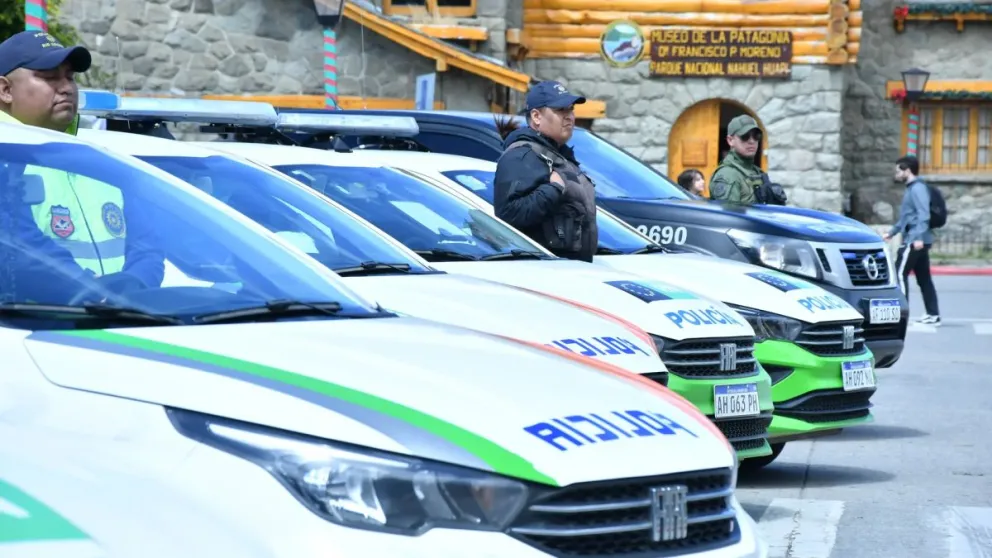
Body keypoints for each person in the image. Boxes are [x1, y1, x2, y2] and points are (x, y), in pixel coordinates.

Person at [0, 30, 163, 291]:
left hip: (123, 320)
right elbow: (20, 250)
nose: (66, 88)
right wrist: (91, 292)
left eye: (70, 77)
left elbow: (148, 247)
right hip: (37, 325)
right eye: (50, 77)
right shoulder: (6, 161)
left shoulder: (102, 161)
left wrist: (132, 285)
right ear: (5, 90)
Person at [493, 80, 598, 262]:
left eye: (571, 110)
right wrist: (553, 189)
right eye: (560, 110)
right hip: (544, 274)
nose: (569, 117)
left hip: (572, 272)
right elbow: (509, 213)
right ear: (536, 117)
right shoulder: (522, 155)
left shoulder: (559, 155)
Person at [883, 155, 940, 325]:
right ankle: (933, 314)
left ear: (907, 171)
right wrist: (892, 232)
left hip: (915, 240)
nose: (896, 174)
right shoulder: (912, 188)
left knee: (899, 273)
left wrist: (918, 238)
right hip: (916, 238)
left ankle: (902, 315)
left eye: (898, 171)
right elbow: (907, 217)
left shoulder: (917, 189)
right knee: (923, 278)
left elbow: (924, 215)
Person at [709, 115, 764, 205]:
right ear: (730, 140)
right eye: (745, 136)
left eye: (756, 136)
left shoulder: (756, 171)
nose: (752, 141)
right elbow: (729, 217)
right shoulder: (727, 175)